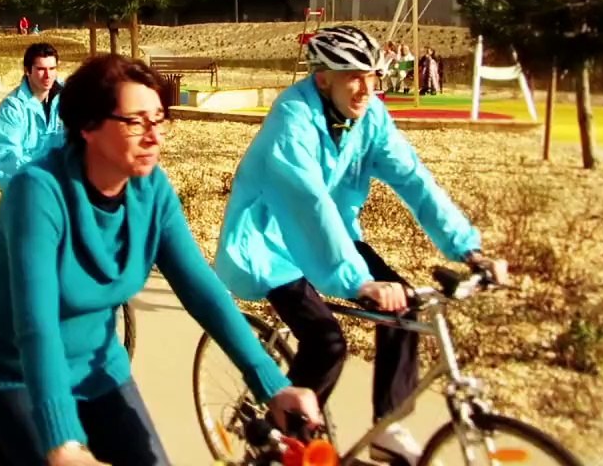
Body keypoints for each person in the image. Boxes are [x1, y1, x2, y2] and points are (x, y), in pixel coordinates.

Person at [0, 54, 321, 466]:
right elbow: (36, 323)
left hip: (98, 368)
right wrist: (63, 442)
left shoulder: (152, 190)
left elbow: (203, 291)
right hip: (15, 372)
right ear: (88, 127)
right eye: (135, 122)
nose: (154, 136)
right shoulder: (39, 192)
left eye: (159, 119)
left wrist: (272, 383)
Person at [214, 25, 509, 465]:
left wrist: (468, 248)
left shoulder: (370, 119)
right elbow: (307, 200)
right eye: (353, 75)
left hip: (333, 238)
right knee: (327, 341)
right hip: (269, 243)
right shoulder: (292, 118)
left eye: (373, 75)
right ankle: (283, 437)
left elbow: (413, 179)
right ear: (322, 79)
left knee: (404, 308)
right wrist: (356, 281)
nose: (366, 87)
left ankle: (388, 428)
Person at [0, 42, 65, 192]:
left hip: (62, 190)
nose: (48, 75)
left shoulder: (68, 98)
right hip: (26, 191)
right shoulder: (12, 108)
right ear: (27, 70)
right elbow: (5, 155)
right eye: (41, 69)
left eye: (52, 68)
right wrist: (42, 177)